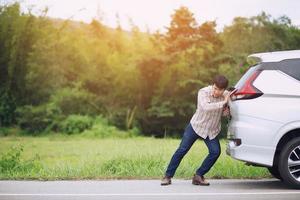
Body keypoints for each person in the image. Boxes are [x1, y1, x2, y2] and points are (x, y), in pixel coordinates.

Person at [161, 75, 231, 186]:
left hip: (211, 130)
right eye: (215, 88)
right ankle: (167, 176)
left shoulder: (226, 95)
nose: (216, 92)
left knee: (215, 152)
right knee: (182, 150)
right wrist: (223, 102)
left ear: (224, 90)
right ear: (213, 85)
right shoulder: (203, 92)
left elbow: (222, 112)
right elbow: (206, 107)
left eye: (220, 90)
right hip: (196, 126)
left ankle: (198, 176)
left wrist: (226, 112)